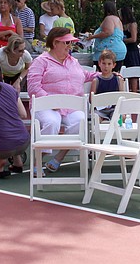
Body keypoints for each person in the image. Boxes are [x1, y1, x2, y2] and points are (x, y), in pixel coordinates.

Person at [26, 27, 96, 173]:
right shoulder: (40, 61)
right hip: (45, 105)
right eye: (66, 43)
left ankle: (59, 158)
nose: (70, 46)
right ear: (55, 43)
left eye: (70, 43)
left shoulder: (73, 61)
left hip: (71, 106)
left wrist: (103, 75)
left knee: (80, 121)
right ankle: (38, 160)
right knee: (52, 122)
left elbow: (85, 75)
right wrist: (51, 101)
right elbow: (33, 87)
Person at [87, 0, 127, 70]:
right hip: (119, 50)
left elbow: (108, 32)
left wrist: (93, 36)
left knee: (105, 73)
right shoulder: (118, 19)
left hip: (109, 51)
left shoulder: (109, 18)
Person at [90, 49, 125, 120]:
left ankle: (116, 127)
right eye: (103, 63)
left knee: (121, 118)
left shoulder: (118, 79)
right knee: (95, 118)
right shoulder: (96, 81)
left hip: (114, 109)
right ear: (99, 64)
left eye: (109, 64)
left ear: (114, 65)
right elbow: (91, 100)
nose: (106, 66)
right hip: (100, 110)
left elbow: (122, 97)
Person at [120, 5, 140, 69]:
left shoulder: (132, 24)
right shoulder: (122, 24)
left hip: (132, 50)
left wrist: (122, 40)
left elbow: (133, 39)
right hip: (125, 49)